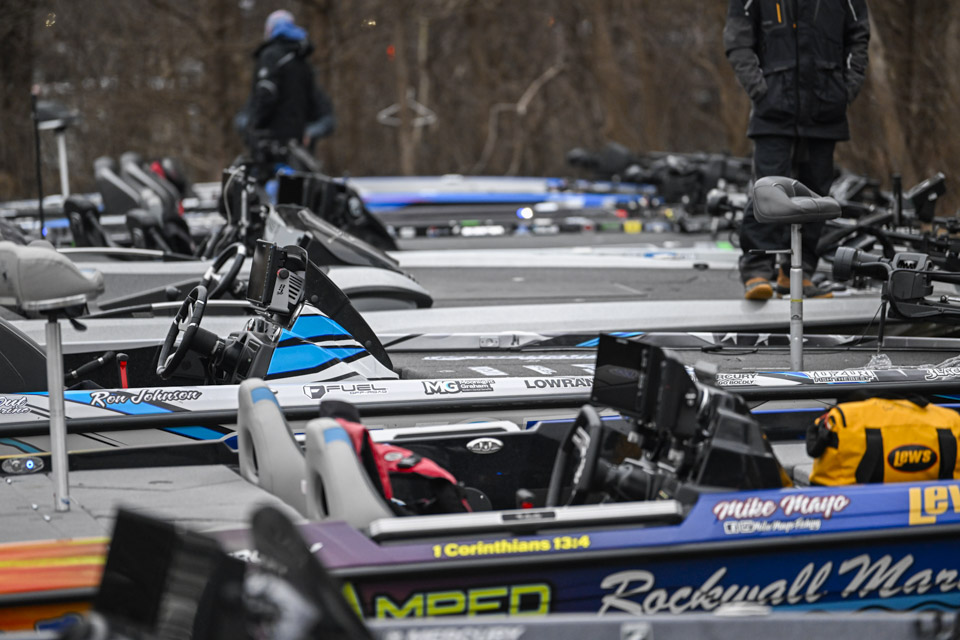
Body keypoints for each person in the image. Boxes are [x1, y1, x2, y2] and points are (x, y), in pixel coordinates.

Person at [724, 0, 870, 300]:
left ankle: (798, 272)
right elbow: (737, 41)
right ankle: (757, 269)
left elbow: (859, 37)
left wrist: (845, 91)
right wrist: (760, 90)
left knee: (816, 194)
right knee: (766, 188)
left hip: (825, 107)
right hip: (773, 107)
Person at [235, 10, 335, 161]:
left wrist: (252, 127)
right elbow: (326, 116)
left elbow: (265, 96)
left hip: (271, 152)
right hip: (299, 153)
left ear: (269, 30)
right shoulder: (304, 64)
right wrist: (309, 132)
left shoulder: (270, 56)